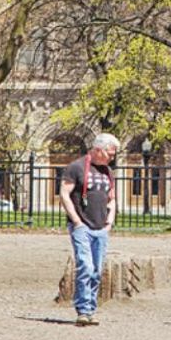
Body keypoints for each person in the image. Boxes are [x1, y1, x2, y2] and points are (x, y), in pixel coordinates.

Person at [59, 133, 119, 326]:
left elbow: (112, 198)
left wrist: (110, 220)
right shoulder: (76, 167)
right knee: (85, 265)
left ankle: (91, 309)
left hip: (101, 227)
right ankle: (83, 310)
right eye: (110, 153)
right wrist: (76, 221)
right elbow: (64, 194)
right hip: (82, 226)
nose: (112, 157)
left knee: (97, 271)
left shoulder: (108, 171)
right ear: (99, 149)